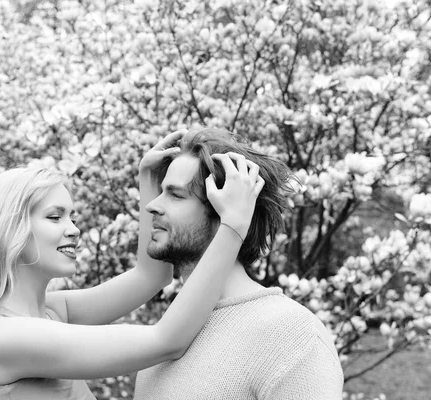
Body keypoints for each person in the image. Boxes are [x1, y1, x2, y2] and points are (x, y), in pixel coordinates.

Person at [0, 131, 265, 400]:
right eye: (55, 217)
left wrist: (147, 180)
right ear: (10, 231)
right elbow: (167, 341)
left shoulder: (49, 313)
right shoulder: (1, 337)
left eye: (72, 216)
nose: (74, 230)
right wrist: (233, 225)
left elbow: (152, 276)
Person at [134, 127, 344, 400]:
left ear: (225, 209)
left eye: (175, 195)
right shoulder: (170, 329)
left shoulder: (291, 335)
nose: (152, 205)